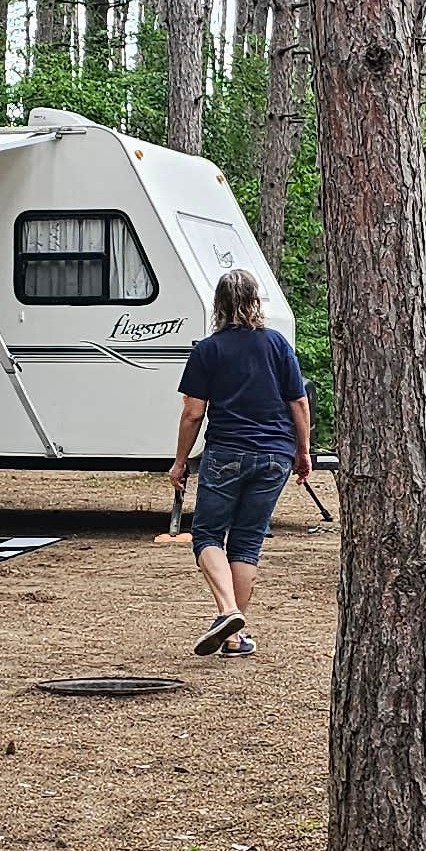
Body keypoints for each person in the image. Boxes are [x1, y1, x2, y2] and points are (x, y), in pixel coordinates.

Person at [168, 269, 312, 658]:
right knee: (247, 541)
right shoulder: (278, 345)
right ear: (255, 302)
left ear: (219, 305)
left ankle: (228, 612)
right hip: (274, 457)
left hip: (226, 454)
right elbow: (298, 403)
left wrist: (180, 462)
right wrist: (303, 451)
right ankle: (233, 637)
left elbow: (193, 414)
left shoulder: (208, 350)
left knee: (208, 536)